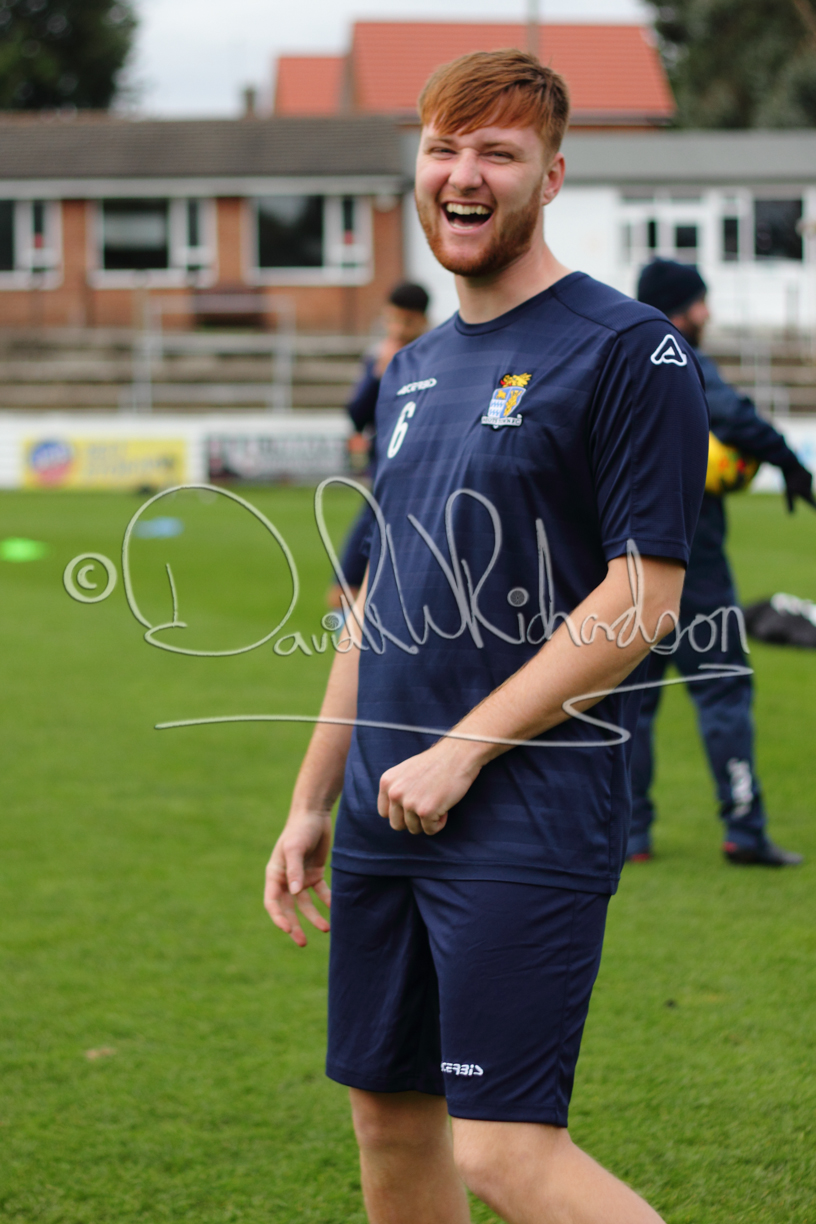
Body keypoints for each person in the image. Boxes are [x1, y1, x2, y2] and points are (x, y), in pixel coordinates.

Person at [265, 51, 709, 1224]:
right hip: (385, 809)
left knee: (507, 1154)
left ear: (550, 177)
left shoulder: (629, 350)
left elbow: (643, 599)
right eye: (443, 149)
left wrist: (462, 752)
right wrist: (313, 799)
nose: (463, 175)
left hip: (524, 806)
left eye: (498, 153)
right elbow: (378, 606)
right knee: (390, 1120)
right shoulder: (408, 372)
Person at [632, 258, 813, 867]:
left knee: (634, 701)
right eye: (700, 302)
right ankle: (744, 829)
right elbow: (734, 418)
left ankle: (631, 835)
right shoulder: (674, 354)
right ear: (681, 307)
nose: (707, 313)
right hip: (691, 564)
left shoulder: (613, 357)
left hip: (624, 567)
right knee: (722, 691)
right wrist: (789, 463)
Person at [333, 283, 431, 602]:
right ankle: (347, 600)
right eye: (392, 320)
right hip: (386, 468)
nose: (398, 329)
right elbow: (357, 415)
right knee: (372, 525)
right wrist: (379, 373)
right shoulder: (379, 356)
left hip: (425, 469)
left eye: (407, 322)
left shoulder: (436, 356)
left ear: (423, 321)